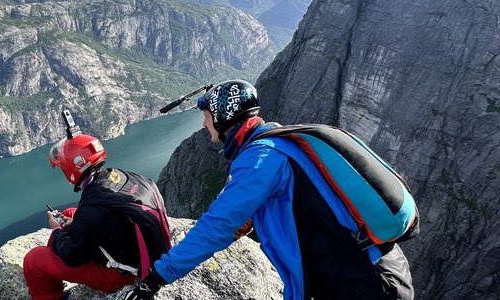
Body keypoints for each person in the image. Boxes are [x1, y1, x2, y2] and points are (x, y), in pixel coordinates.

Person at [124, 80, 415, 300]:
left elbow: (218, 226)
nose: (204, 124)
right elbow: (244, 219)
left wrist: (158, 276)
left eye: (207, 116)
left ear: (224, 115)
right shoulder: (277, 143)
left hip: (363, 282)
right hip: (371, 268)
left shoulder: (261, 159)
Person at [23, 117, 172, 300]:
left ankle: (50, 295)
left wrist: (57, 230)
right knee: (70, 213)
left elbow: (71, 255)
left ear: (73, 169)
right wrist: (75, 225)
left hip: (118, 275)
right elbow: (101, 220)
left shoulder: (92, 208)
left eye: (64, 168)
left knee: (34, 260)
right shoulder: (120, 176)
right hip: (136, 254)